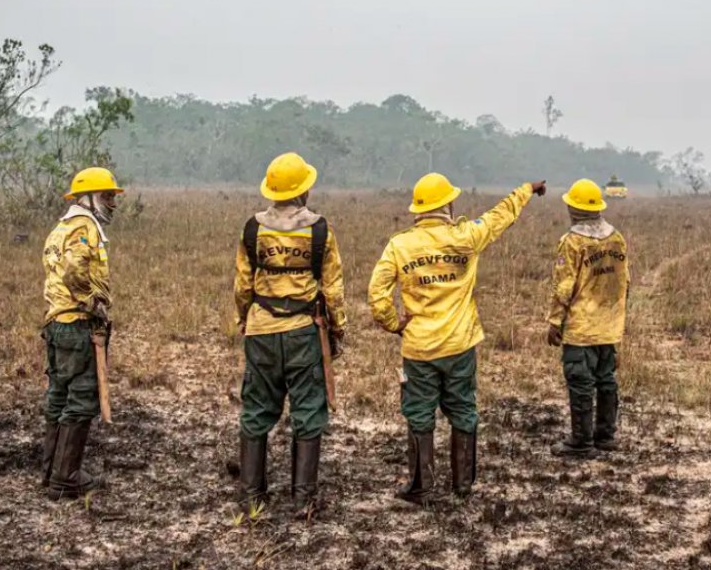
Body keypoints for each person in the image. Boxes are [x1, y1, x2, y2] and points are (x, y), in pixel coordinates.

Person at [369, 173, 546, 505]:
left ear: (418, 210)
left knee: (419, 413)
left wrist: (394, 324)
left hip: (419, 348)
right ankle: (463, 484)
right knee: (463, 409)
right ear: (448, 205)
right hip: (460, 345)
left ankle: (421, 487)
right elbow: (500, 216)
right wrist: (527, 189)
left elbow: (377, 294)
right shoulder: (467, 236)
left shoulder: (400, 245)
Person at [233, 152, 346, 517]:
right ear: (303, 190)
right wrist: (338, 328)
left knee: (256, 409)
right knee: (308, 411)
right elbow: (333, 288)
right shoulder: (320, 230)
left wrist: (244, 319)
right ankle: (304, 500)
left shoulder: (252, 229)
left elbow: (242, 286)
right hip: (304, 331)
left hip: (261, 330)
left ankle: (251, 497)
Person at [40, 166, 124, 499]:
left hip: (56, 324)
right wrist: (93, 304)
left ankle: (51, 472)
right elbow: (75, 270)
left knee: (58, 397)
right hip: (77, 325)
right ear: (88, 198)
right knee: (81, 399)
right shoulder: (84, 227)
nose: (112, 203)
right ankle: (66, 477)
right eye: (107, 196)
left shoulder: (59, 229)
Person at [546, 179, 630, 458]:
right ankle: (605, 436)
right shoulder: (617, 238)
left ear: (572, 208)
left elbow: (563, 286)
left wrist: (555, 321)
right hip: (609, 326)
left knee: (580, 383)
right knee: (606, 380)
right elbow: (625, 282)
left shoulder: (572, 242)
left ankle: (581, 443)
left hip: (581, 328)